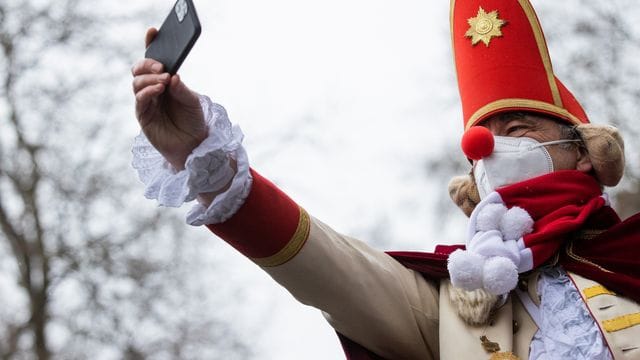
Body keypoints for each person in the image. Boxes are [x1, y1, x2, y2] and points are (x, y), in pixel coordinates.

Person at [131, 0, 640, 359]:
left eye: (518, 129)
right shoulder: (446, 307)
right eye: (482, 139)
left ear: (583, 155)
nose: (488, 148)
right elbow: (332, 269)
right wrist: (205, 156)